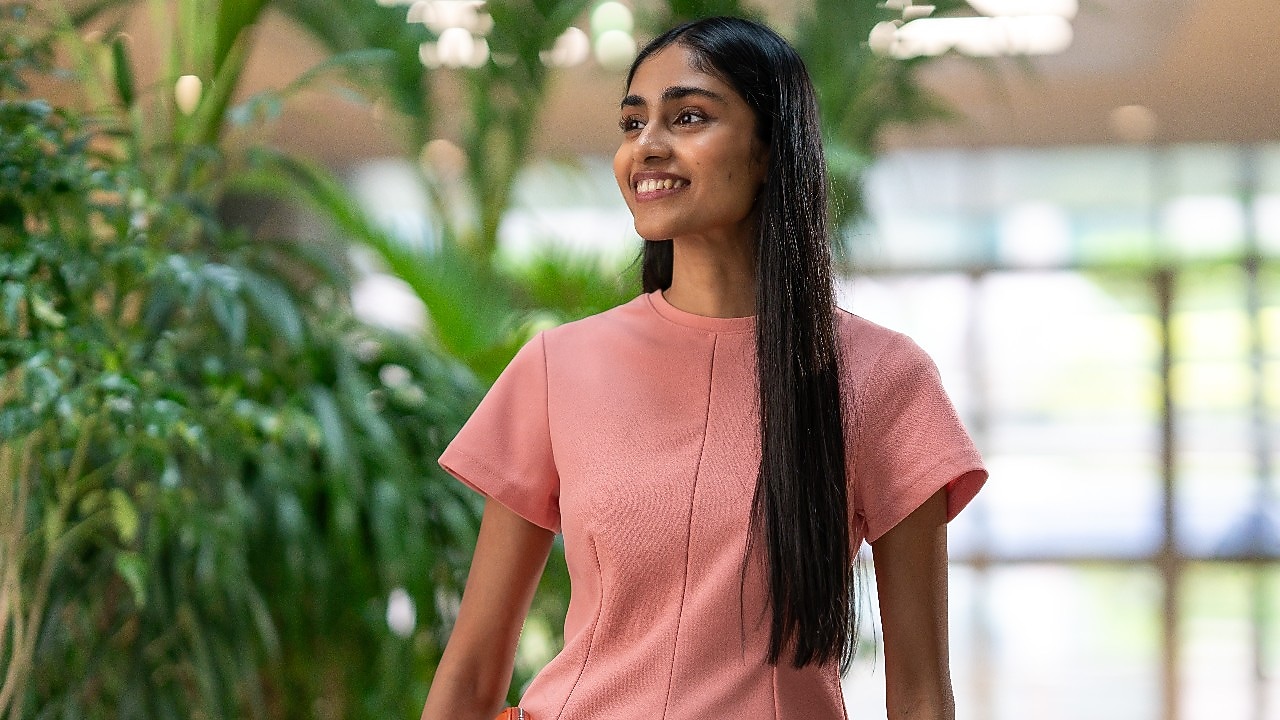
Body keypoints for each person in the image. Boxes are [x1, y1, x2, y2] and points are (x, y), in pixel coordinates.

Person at [419, 16, 986, 720]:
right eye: (633, 124)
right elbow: (471, 670)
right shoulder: (556, 367)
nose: (647, 147)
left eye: (688, 117)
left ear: (771, 149)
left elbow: (923, 694)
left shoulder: (883, 379)